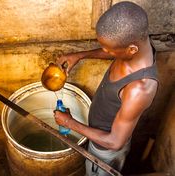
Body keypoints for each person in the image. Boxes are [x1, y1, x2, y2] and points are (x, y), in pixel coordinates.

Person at [53, 1, 158, 176]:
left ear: (131, 49)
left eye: (109, 50)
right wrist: (80, 55)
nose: (105, 52)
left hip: (104, 151)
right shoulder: (141, 44)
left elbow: (115, 142)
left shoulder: (139, 89)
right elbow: (116, 49)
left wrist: (68, 122)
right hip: (98, 135)